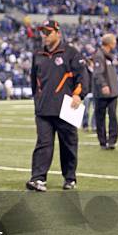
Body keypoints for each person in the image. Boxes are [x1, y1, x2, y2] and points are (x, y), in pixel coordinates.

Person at [26, 19, 88, 192]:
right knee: (43, 144)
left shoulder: (71, 53)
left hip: (67, 107)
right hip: (44, 109)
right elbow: (33, 81)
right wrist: (37, 99)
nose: (44, 35)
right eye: (43, 32)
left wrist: (78, 94)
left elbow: (82, 77)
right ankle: (38, 179)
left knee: (68, 144)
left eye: (48, 32)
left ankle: (70, 178)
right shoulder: (37, 54)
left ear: (58, 33)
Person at [93, 33, 118, 150]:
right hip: (102, 93)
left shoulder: (109, 55)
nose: (116, 43)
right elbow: (97, 73)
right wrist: (104, 85)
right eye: (114, 41)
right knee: (100, 117)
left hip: (112, 92)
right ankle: (103, 142)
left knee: (113, 116)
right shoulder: (99, 55)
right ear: (109, 43)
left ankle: (112, 141)